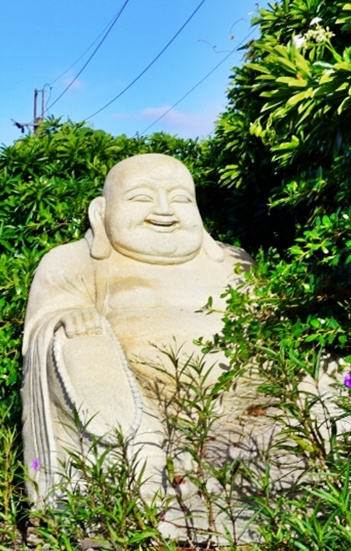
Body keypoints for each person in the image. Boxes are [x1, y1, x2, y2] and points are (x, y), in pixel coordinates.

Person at [21, 154, 253, 505]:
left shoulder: (234, 262)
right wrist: (68, 320)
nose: (163, 210)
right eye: (141, 198)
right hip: (139, 401)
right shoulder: (75, 261)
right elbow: (43, 325)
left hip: (243, 397)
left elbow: (274, 327)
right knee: (79, 341)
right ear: (101, 212)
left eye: (180, 199)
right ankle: (129, 506)